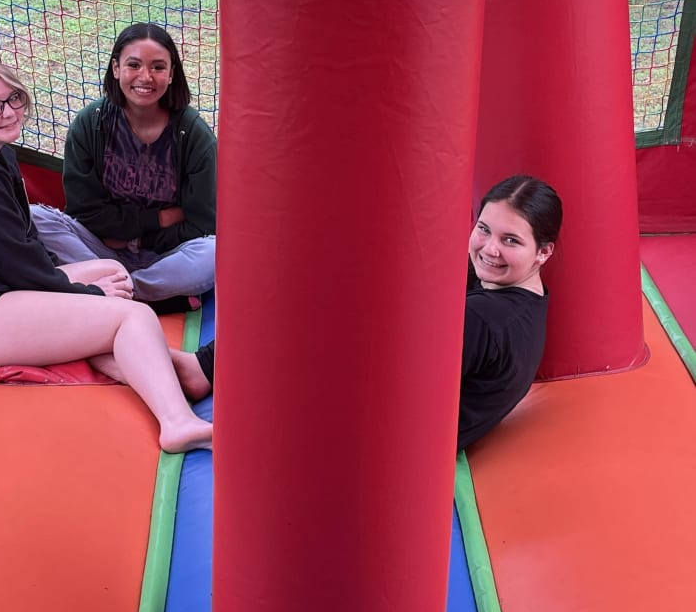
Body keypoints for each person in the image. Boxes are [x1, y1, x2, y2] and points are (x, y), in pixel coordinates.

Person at [0, 57, 212, 455]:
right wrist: (88, 294)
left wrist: (87, 286)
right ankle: (178, 423)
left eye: (13, 98)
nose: (8, 112)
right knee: (131, 315)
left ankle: (165, 366)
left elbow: (24, 248)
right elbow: (19, 267)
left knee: (112, 269)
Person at [171, 174, 562, 453]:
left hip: (375, 442)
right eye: (484, 229)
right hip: (404, 422)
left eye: (510, 240)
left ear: (543, 252)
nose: (489, 249)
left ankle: (210, 405)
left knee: (304, 298)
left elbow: (390, 393)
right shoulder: (524, 296)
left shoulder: (483, 320)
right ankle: (201, 370)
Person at [31, 24, 216, 307]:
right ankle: (154, 300)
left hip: (166, 256)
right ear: (116, 68)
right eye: (134, 65)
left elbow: (203, 223)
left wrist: (138, 241)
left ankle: (119, 291)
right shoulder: (90, 123)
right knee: (34, 217)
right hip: (99, 249)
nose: (145, 77)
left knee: (214, 252)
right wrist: (160, 218)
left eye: (158, 67)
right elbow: (85, 212)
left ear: (171, 74)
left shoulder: (193, 133)